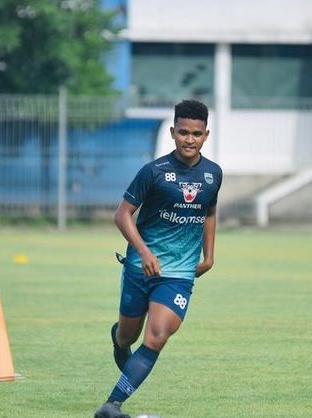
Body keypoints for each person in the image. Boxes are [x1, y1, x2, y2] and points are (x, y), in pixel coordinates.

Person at [95, 99, 223, 418]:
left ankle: (111, 406)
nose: (189, 139)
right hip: (140, 268)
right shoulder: (153, 172)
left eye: (196, 133)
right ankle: (119, 342)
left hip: (178, 273)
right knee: (127, 336)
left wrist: (209, 257)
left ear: (206, 135)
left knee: (158, 334)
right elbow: (122, 215)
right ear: (172, 132)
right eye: (183, 132)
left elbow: (208, 212)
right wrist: (144, 251)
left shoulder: (213, 174)